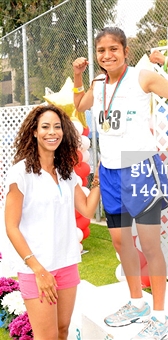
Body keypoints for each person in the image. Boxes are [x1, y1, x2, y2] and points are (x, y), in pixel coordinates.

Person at [72, 27, 168, 340]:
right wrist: (77, 79)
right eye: (101, 50)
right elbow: (81, 106)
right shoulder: (99, 82)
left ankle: (159, 316)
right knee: (120, 242)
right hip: (111, 173)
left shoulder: (143, 77)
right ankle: (136, 302)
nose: (107, 56)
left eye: (113, 49)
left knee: (150, 245)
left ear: (126, 51)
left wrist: (167, 63)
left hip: (141, 168)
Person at [4, 104, 100, 340]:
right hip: (37, 268)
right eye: (45, 127)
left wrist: (98, 182)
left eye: (57, 127)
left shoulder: (66, 172)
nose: (52, 132)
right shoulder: (21, 173)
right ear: (34, 132)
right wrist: (38, 270)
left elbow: (87, 210)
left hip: (66, 263)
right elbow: (11, 227)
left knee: (62, 331)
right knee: (45, 337)